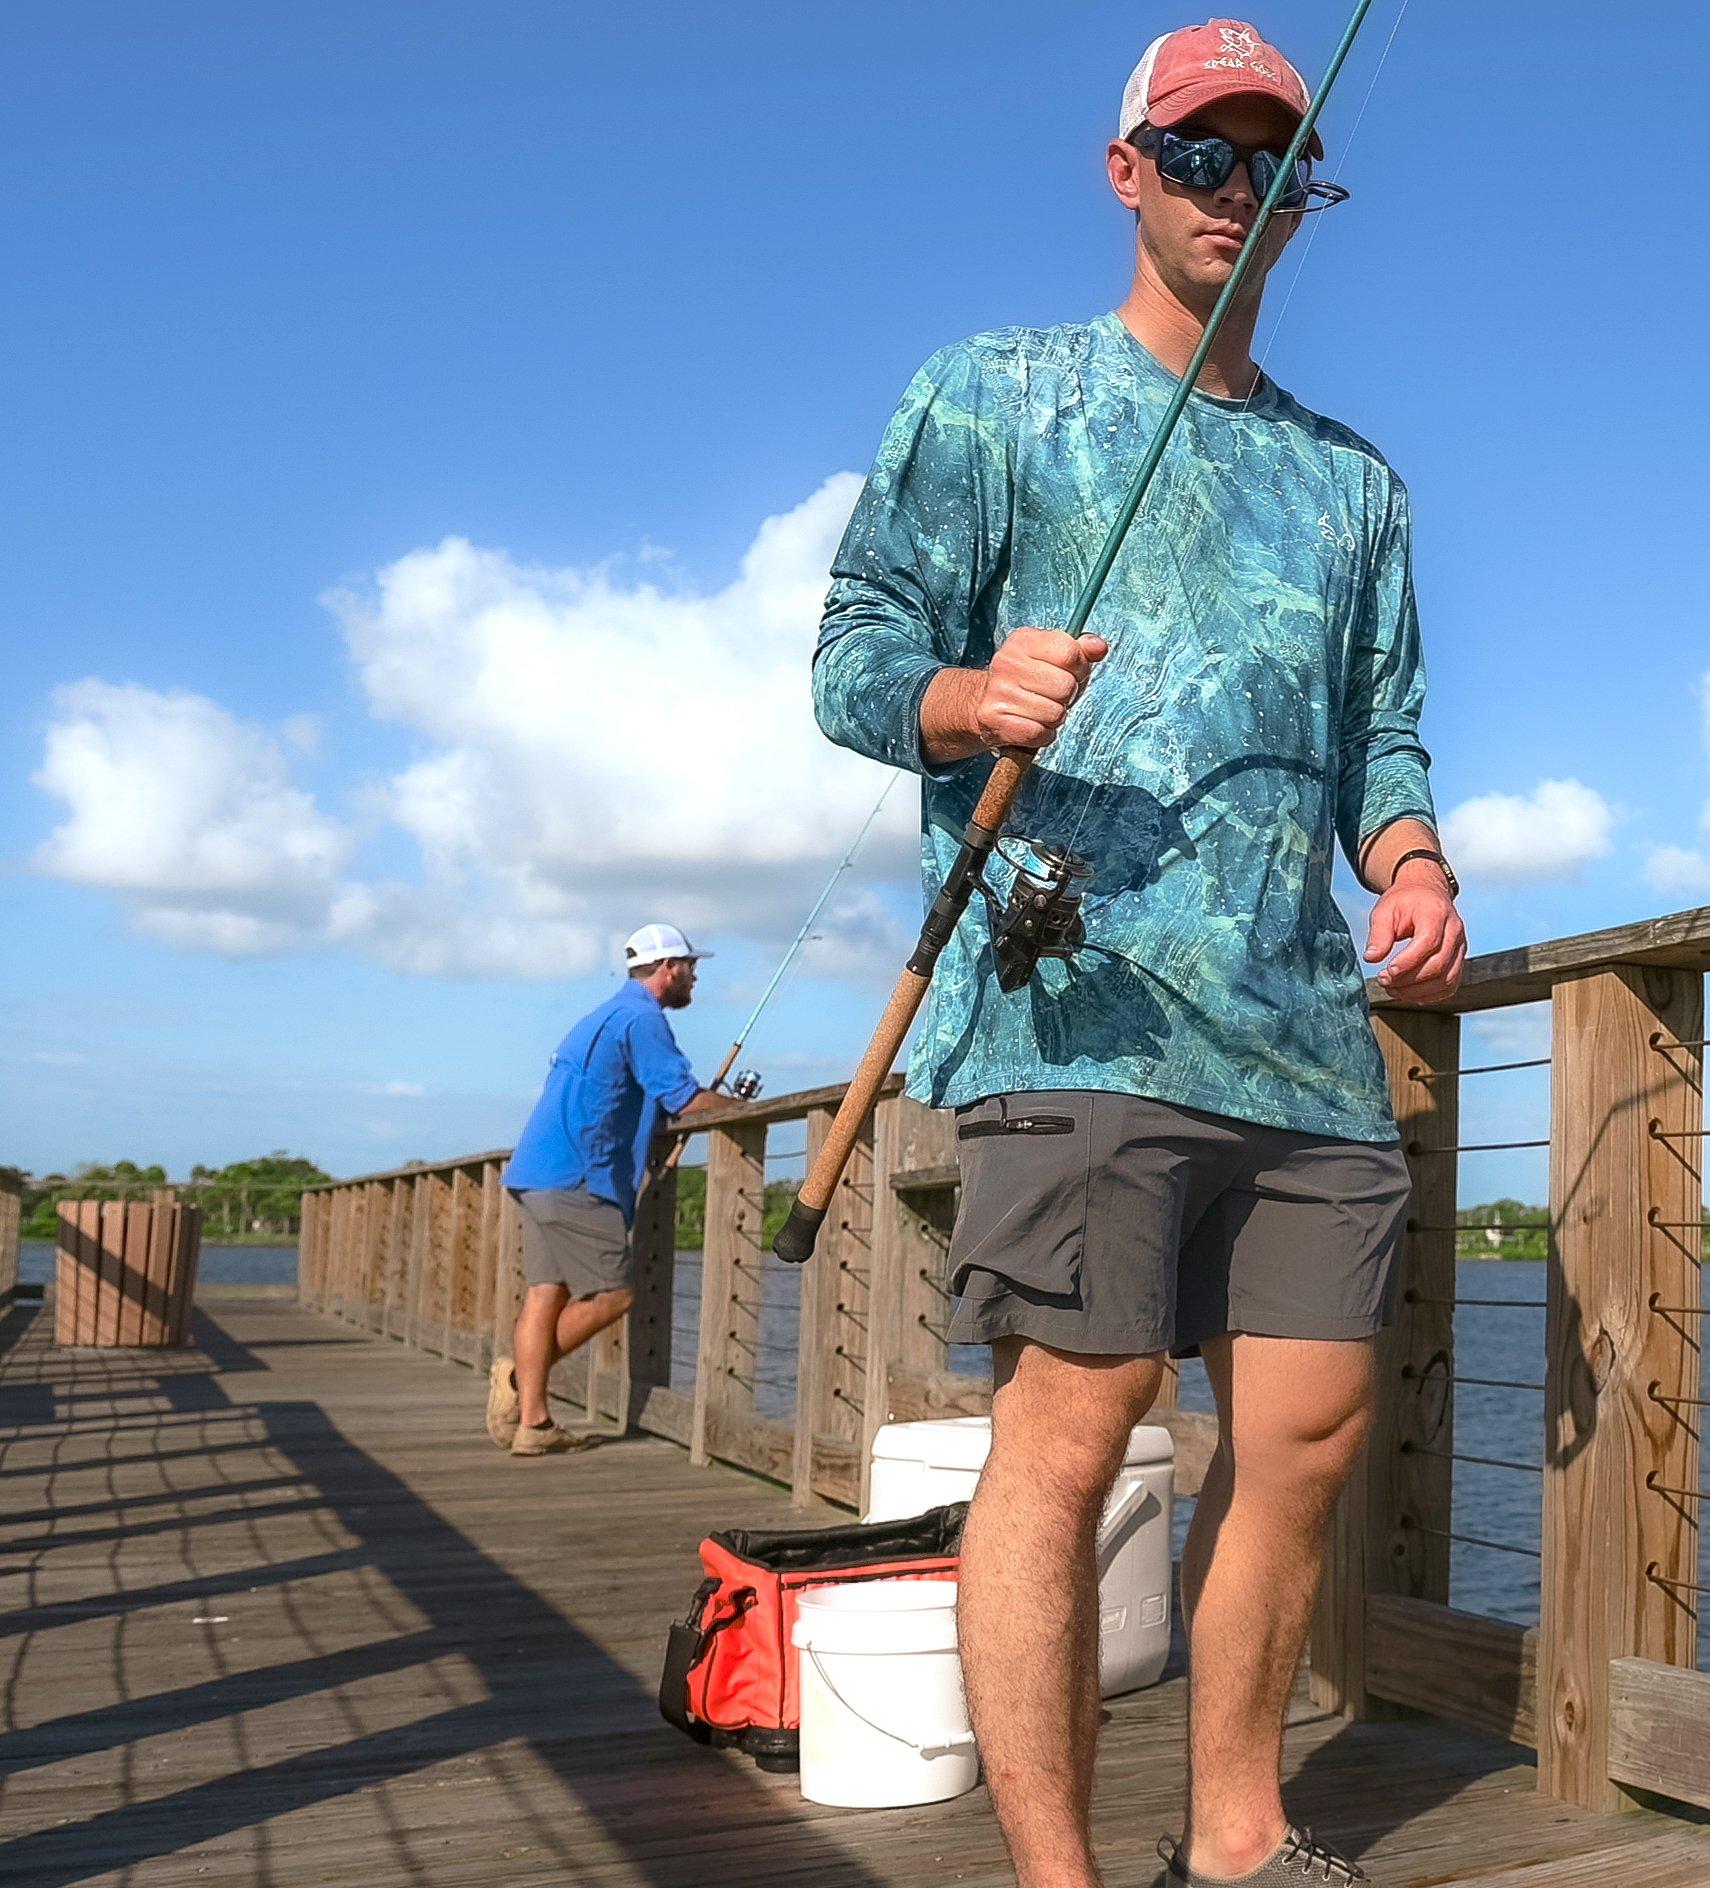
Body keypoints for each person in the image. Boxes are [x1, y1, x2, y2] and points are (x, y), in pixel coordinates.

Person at [810, 19, 1464, 1886]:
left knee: (1311, 1436)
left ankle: (1240, 1839)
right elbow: (851, 653)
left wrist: (1408, 859)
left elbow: (1382, 730)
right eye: (1201, 158)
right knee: (1076, 1425)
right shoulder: (990, 393)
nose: (1236, 195)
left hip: (1303, 1038)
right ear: (1128, 172)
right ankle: (1058, 1874)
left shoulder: (1360, 485)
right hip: (1068, 999)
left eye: (1272, 164)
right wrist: (962, 688)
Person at [491, 923, 738, 1456]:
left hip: (536, 1171)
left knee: (546, 1293)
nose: (695, 976)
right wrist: (738, 1108)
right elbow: (683, 1099)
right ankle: (518, 1380)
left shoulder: (602, 1015)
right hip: (580, 1176)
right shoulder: (641, 1019)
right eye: (690, 966)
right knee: (614, 1294)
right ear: (668, 968)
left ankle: (532, 1424)